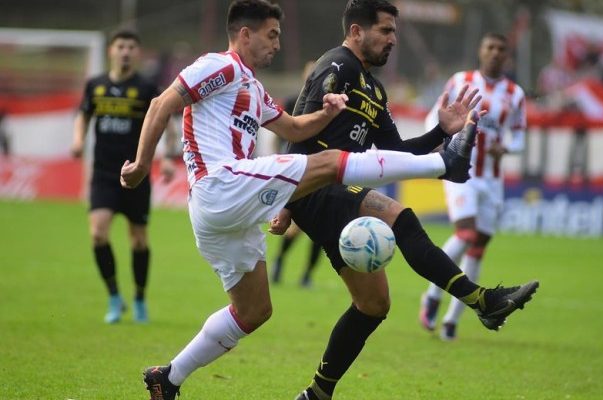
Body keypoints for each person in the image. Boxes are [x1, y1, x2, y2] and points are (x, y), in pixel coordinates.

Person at [120, 1, 492, 399]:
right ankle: (444, 165)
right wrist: (142, 164)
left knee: (254, 311)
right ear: (245, 34)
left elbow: (295, 126)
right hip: (220, 184)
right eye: (272, 35)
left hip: (221, 214)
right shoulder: (220, 65)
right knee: (330, 163)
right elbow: (162, 103)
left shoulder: (254, 88)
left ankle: (169, 378)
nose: (278, 45)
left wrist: (326, 113)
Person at [275, 2, 538, 399]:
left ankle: (316, 393)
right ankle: (482, 300)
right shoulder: (337, 66)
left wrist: (439, 131)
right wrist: (286, 198)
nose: (393, 40)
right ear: (357, 31)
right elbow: (298, 129)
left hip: (338, 189)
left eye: (395, 32)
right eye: (385, 31)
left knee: (374, 305)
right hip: (318, 186)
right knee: (401, 217)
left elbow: (397, 150)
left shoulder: (374, 89)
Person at [420, 33, 527, 341]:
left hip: (492, 179)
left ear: (507, 56)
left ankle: (452, 321)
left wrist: (506, 148)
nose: (495, 53)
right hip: (460, 171)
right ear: (480, 51)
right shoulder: (460, 80)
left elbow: (519, 136)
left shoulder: (515, 94)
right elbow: (434, 114)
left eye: (500, 50)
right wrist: (435, 140)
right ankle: (432, 296)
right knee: (465, 234)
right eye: (490, 48)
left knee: (477, 250)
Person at [71, 29, 177, 324]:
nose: (126, 51)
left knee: (139, 240)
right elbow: (83, 115)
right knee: (97, 233)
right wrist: (78, 141)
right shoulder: (96, 85)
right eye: (121, 46)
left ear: (138, 52)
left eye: (131, 46)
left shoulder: (146, 87)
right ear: (111, 51)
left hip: (136, 174)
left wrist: (167, 157)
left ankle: (140, 298)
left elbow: (165, 121)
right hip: (104, 173)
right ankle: (115, 297)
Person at [271, 60, 324, 287]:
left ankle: (306, 275)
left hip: (322, 170)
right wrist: (277, 162)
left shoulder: (328, 104)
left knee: (321, 231)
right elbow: (278, 136)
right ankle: (280, 261)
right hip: (297, 169)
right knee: (297, 224)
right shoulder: (295, 101)